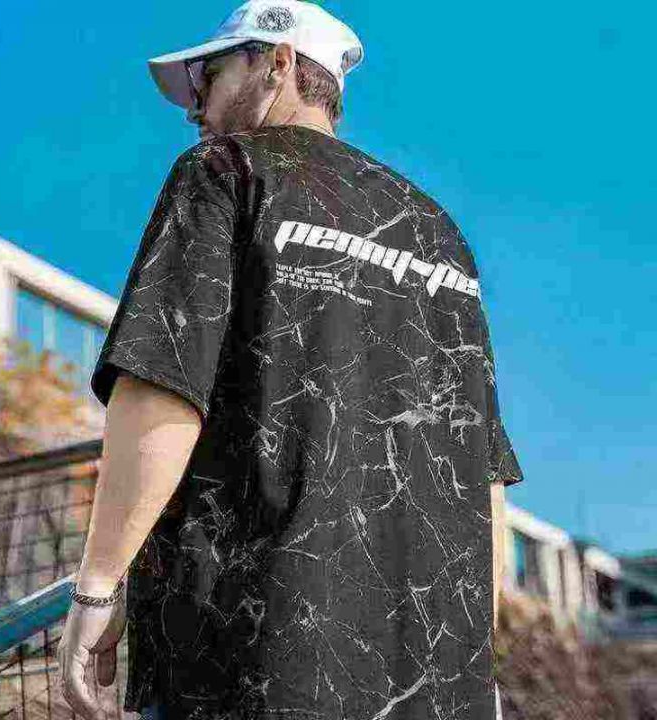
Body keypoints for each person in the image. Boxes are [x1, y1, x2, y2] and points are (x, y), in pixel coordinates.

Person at [56, 1, 523, 719]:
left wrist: (97, 586)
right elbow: (481, 478)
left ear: (276, 64)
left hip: (253, 661)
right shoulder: (439, 234)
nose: (195, 106)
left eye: (209, 76)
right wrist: (474, 665)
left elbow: (163, 386)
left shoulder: (227, 169)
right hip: (433, 684)